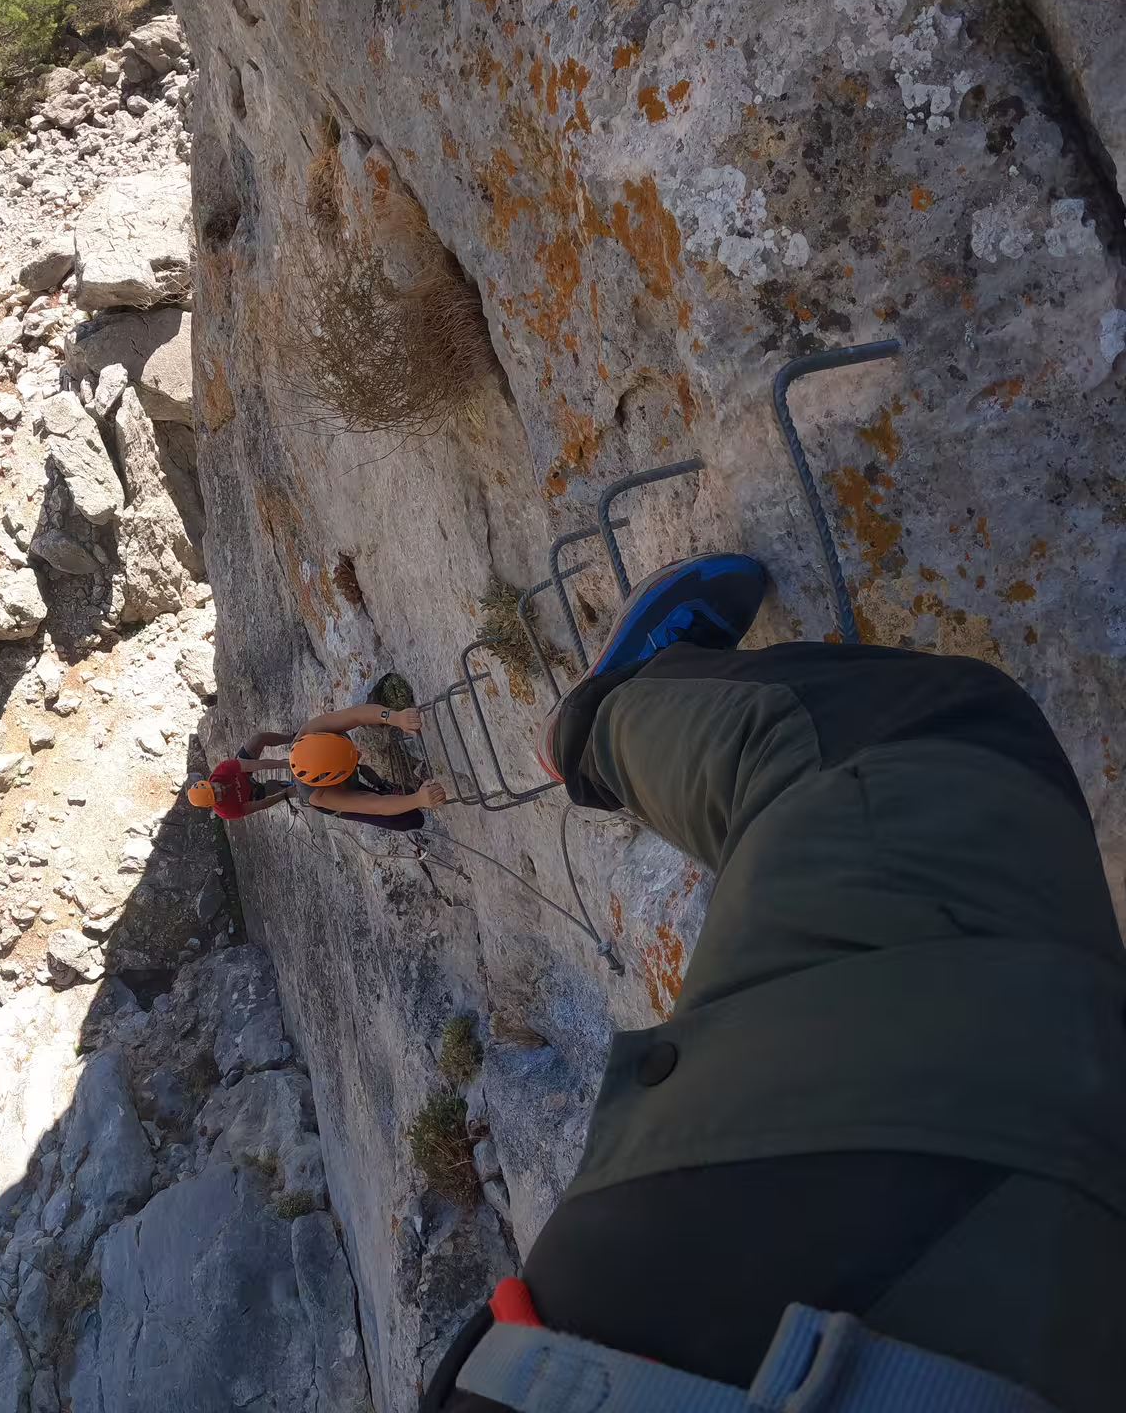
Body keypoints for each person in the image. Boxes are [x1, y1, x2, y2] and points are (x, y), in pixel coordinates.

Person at [422, 553, 1126, 1413]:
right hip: (680, 1337)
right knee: (928, 745)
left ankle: (594, 724)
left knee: (936, 748)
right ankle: (602, 726)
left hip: (689, 1329)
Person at [187, 703, 448, 830]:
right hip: (331, 791)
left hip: (319, 769)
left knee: (260, 747)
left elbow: (355, 715)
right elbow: (376, 806)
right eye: (352, 757)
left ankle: (386, 786)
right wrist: (418, 800)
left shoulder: (312, 730)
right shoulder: (322, 796)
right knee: (407, 819)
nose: (220, 792)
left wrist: (394, 717)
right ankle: (388, 788)